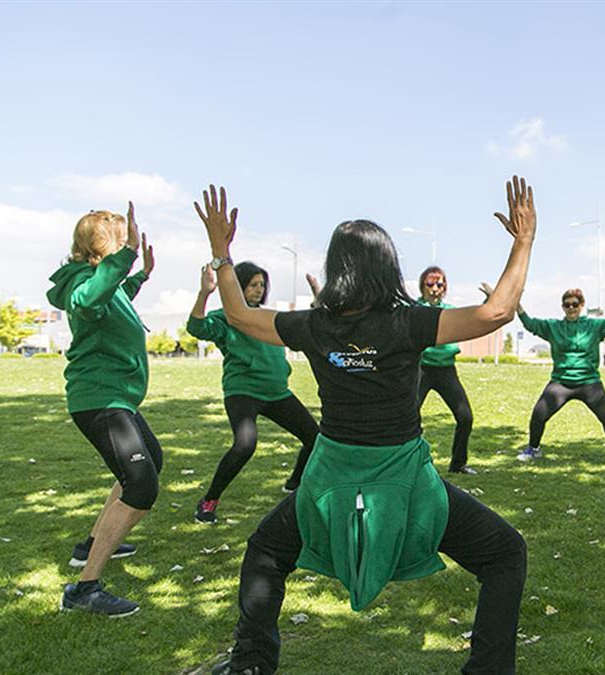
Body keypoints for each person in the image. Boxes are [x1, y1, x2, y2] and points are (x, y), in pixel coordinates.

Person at [199, 177, 534, 675]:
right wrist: (523, 241)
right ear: (387, 265)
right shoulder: (407, 323)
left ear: (337, 268)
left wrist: (222, 255)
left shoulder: (314, 325)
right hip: (405, 486)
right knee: (506, 554)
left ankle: (251, 664)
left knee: (267, 551)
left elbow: (238, 314)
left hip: (330, 483)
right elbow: (497, 311)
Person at [47, 204, 160, 617]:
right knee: (141, 485)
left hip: (116, 398)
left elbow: (115, 296)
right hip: (100, 398)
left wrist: (141, 275)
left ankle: (91, 546)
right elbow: (91, 299)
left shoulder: (100, 284)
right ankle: (84, 588)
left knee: (150, 462)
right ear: (105, 247)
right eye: (122, 238)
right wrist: (127, 255)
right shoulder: (83, 284)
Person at [188, 262, 321, 524]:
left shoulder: (269, 316)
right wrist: (205, 293)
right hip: (243, 392)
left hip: (277, 393)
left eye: (262, 285)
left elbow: (303, 324)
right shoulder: (226, 317)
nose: (259, 289)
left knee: (314, 437)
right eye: (253, 284)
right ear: (238, 286)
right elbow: (196, 328)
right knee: (245, 445)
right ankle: (209, 500)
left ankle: (294, 484)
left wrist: (318, 300)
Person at [501, 283, 605, 467]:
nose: (571, 308)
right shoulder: (553, 327)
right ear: (563, 307)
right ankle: (533, 449)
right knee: (538, 414)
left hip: (589, 382)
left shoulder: (593, 326)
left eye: (574, 304)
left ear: (581, 306)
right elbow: (530, 324)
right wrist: (517, 303)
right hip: (561, 382)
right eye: (567, 305)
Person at [415, 265, 477, 475]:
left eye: (440, 284)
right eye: (430, 284)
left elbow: (476, 318)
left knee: (465, 417)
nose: (435, 288)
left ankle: (458, 464)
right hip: (421, 370)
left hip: (446, 371)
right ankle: (410, 463)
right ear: (422, 286)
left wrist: (490, 301)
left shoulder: (450, 311)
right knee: (408, 416)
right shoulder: (414, 309)